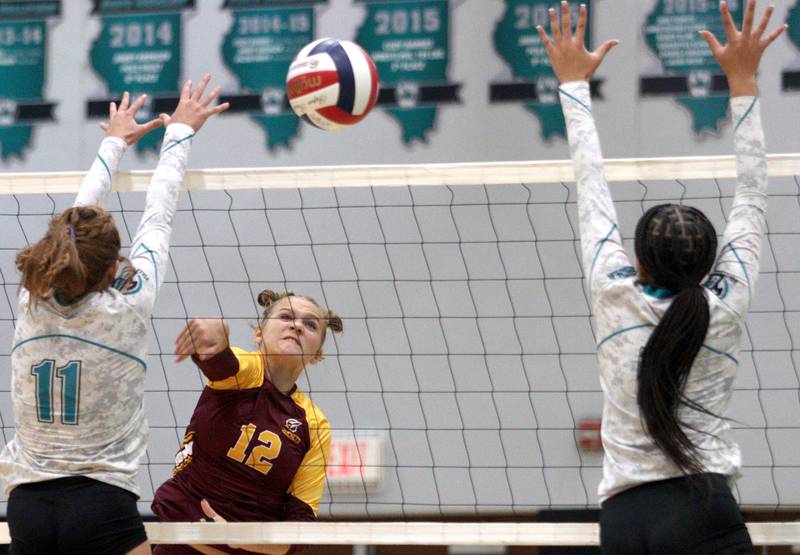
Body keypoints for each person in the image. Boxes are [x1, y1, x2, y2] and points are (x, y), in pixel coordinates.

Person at [538, 1, 785, 553]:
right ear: (711, 263)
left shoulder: (613, 289)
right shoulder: (724, 303)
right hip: (700, 510)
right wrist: (743, 80)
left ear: (639, 262)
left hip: (623, 522)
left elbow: (591, 185)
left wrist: (573, 84)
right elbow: (753, 193)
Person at [0, 77, 229, 554]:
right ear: (111, 268)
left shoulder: (31, 299)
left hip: (25, 507)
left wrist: (111, 142)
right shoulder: (130, 301)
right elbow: (158, 217)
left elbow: (75, 222)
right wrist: (179, 134)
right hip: (100, 503)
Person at [151, 290, 343, 555]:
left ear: (316, 355)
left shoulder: (315, 425)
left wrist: (241, 538)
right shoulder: (248, 371)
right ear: (259, 334)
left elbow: (299, 529)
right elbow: (223, 365)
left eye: (310, 325)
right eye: (286, 316)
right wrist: (214, 345)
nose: (297, 325)